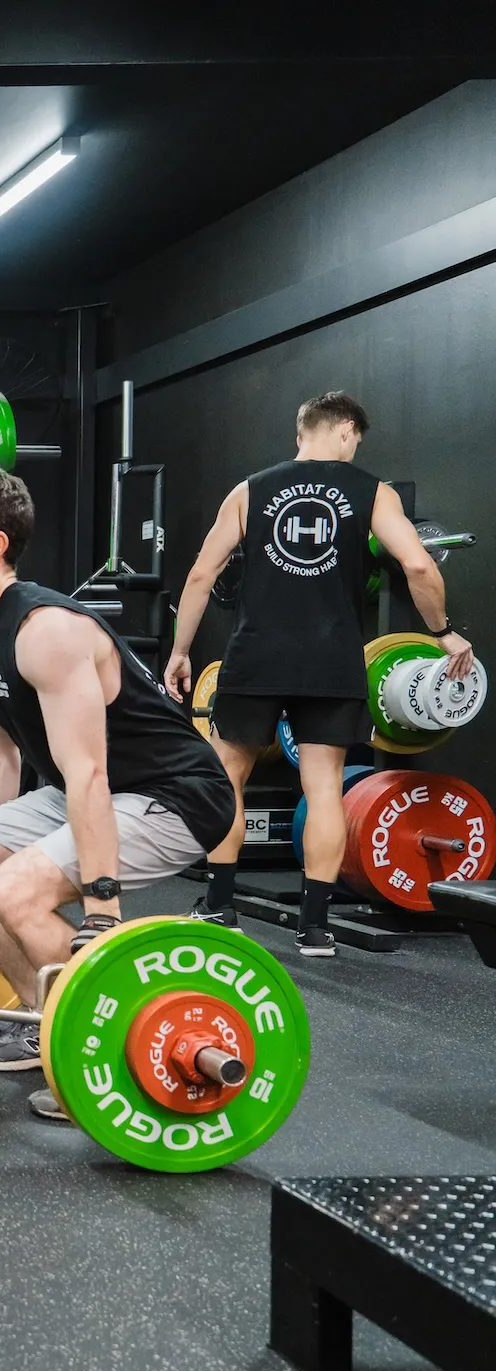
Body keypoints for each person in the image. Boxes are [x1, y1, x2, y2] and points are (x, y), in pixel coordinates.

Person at [0, 467, 235, 1119]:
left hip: (174, 794)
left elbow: (89, 770)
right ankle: (43, 1017)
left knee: (19, 888)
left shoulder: (45, 629)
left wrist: (101, 907)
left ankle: (110, 1049)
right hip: (90, 790)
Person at [165, 392, 473, 956]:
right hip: (331, 658)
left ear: (300, 433)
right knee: (325, 788)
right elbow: (419, 563)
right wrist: (443, 632)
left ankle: (220, 906)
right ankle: (314, 927)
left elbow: (200, 575)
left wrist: (181, 650)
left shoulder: (249, 490)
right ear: (348, 431)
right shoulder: (372, 492)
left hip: (257, 655)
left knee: (227, 778)